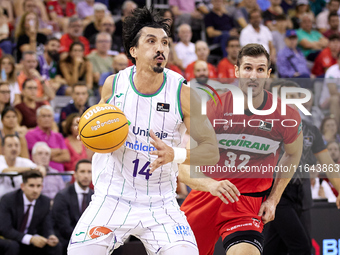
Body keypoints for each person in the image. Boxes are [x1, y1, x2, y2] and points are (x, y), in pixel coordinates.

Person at [68, 7, 219, 254]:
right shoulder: (113, 85)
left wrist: (175, 154)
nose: (160, 48)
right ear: (133, 51)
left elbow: (212, 151)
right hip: (113, 196)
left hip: (161, 202)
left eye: (165, 42)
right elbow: (94, 128)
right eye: (151, 41)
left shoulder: (183, 94)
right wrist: (85, 128)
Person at [181, 43, 303, 255]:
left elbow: (293, 154)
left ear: (268, 74)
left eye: (260, 69)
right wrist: (209, 184)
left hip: (246, 204)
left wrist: (273, 199)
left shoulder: (286, 115)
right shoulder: (213, 107)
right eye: (247, 68)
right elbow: (183, 162)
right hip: (206, 195)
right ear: (236, 71)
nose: (253, 75)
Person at [263, 80, 340, 255]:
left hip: (303, 195)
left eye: (293, 96)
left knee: (275, 248)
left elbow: (328, 163)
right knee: (302, 247)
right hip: (276, 194)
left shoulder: (311, 130)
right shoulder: (266, 128)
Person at [0, 170, 60, 255]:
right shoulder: (8, 200)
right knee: (13, 246)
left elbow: (47, 225)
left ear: (42, 187)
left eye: (38, 186)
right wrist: (30, 239)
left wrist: (51, 236)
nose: (35, 190)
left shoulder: (45, 201)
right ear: (22, 186)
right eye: (31, 186)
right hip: (10, 238)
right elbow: (5, 229)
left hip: (31, 238)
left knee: (55, 246)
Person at [52, 159, 93, 254]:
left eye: (89, 172)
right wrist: (84, 241)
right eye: (82, 172)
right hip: (67, 239)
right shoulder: (62, 196)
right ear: (75, 174)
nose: (86, 176)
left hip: (89, 239)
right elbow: (64, 227)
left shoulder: (95, 196)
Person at [25, 105, 70, 173]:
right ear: (37, 119)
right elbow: (36, 154)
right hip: (39, 173)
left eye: (49, 116)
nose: (47, 118)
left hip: (59, 174)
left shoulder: (58, 136)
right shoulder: (30, 134)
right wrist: (58, 151)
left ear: (52, 119)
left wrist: (46, 156)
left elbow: (66, 157)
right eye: (43, 116)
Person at [0, 135, 45, 199]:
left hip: (19, 201)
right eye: (10, 145)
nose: (14, 148)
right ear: (3, 148)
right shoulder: (0, 159)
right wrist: (30, 169)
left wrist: (41, 169)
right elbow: (6, 170)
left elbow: (39, 169)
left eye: (16, 145)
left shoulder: (24, 161)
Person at [319, 54, 340, 123]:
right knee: (335, 98)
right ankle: (336, 130)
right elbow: (333, 91)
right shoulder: (332, 71)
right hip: (327, 101)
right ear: (338, 60)